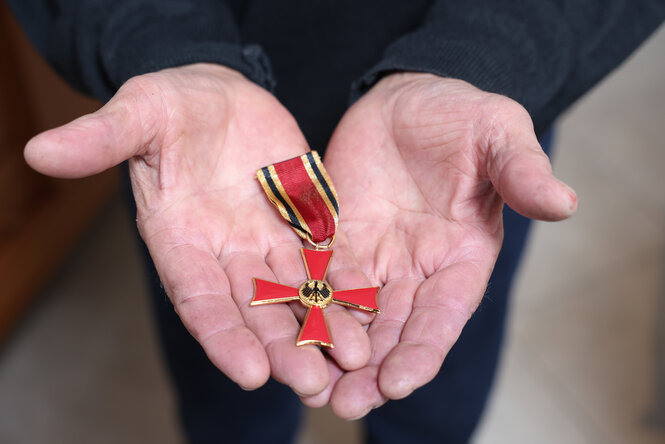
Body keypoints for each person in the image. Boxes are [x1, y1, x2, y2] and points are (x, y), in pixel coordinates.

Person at [8, 1, 664, 443]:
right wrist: (159, 41)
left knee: (429, 378)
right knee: (230, 387)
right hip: (210, 164)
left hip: (447, 160)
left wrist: (484, 58)